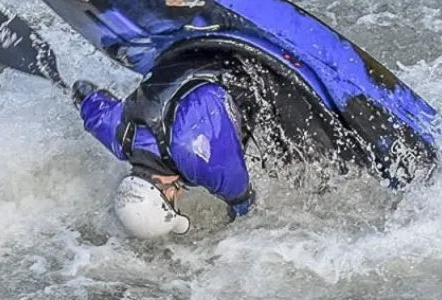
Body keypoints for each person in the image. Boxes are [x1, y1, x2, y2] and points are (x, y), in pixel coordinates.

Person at [70, 48, 340, 239]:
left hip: (252, 69)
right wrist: (73, 92)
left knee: (310, 173)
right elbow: (84, 93)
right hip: (181, 52)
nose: (179, 200)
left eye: (173, 204)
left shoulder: (202, 162)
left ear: (163, 192)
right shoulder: (119, 137)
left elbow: (246, 207)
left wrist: (231, 240)